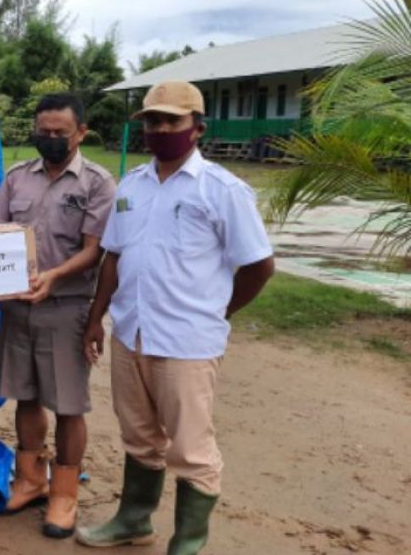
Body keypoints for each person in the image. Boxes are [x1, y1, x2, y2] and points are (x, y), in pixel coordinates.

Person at [77, 81, 275, 555]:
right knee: (140, 436)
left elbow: (259, 265)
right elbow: (113, 257)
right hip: (131, 334)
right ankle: (133, 519)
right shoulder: (131, 185)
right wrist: (95, 319)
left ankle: (187, 541)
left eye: (171, 121)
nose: (160, 129)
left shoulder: (223, 190)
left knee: (191, 450)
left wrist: (217, 311)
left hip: (187, 343)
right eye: (152, 121)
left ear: (197, 129)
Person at [0, 93, 116, 538]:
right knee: (25, 395)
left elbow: (95, 250)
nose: (49, 139)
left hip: (66, 308)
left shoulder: (97, 184)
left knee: (68, 405)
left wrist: (54, 276)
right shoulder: (16, 178)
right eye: (42, 132)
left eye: (59, 134)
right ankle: (30, 479)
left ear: (80, 133)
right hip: (17, 306)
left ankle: (64, 493)